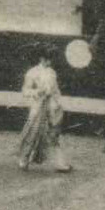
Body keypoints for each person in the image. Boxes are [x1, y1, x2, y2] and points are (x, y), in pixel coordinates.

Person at [17, 45, 74, 173]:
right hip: (38, 106)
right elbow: (25, 90)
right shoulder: (32, 72)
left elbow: (56, 90)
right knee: (33, 133)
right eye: (48, 59)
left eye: (51, 59)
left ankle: (60, 163)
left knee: (55, 134)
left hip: (52, 107)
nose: (50, 62)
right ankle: (24, 159)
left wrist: (58, 103)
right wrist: (38, 91)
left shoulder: (52, 72)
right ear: (42, 58)